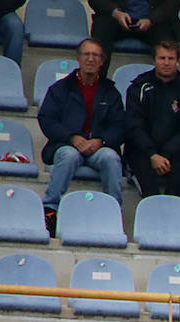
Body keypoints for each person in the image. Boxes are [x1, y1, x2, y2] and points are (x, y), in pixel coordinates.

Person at [37, 38, 126, 231]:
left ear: (102, 61)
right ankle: (50, 211)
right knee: (67, 156)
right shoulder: (60, 89)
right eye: (86, 54)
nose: (91, 59)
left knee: (111, 158)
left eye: (96, 55)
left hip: (99, 148)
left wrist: (101, 141)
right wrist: (72, 137)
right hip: (67, 144)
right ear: (78, 58)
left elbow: (120, 126)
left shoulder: (111, 92)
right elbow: (47, 120)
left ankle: (113, 213)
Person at [124, 40, 180, 198]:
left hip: (175, 153)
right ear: (154, 60)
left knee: (177, 190)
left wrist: (165, 154)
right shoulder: (139, 87)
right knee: (150, 194)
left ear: (177, 61)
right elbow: (134, 126)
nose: (166, 63)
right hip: (143, 152)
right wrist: (153, 154)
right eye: (162, 58)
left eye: (170, 59)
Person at [90, 0, 180, 63]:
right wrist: (116, 13)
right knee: (101, 33)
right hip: (115, 19)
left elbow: (172, 4)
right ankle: (97, 81)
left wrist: (151, 20)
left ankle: (166, 86)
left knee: (167, 44)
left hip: (155, 22)